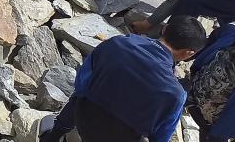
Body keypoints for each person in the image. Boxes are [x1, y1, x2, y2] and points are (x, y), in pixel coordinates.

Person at [39, 15, 208, 142]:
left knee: (82, 94)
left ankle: (55, 134)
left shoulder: (118, 43)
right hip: (122, 137)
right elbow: (160, 137)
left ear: (164, 28)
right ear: (188, 53)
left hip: (84, 118)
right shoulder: (176, 94)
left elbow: (82, 83)